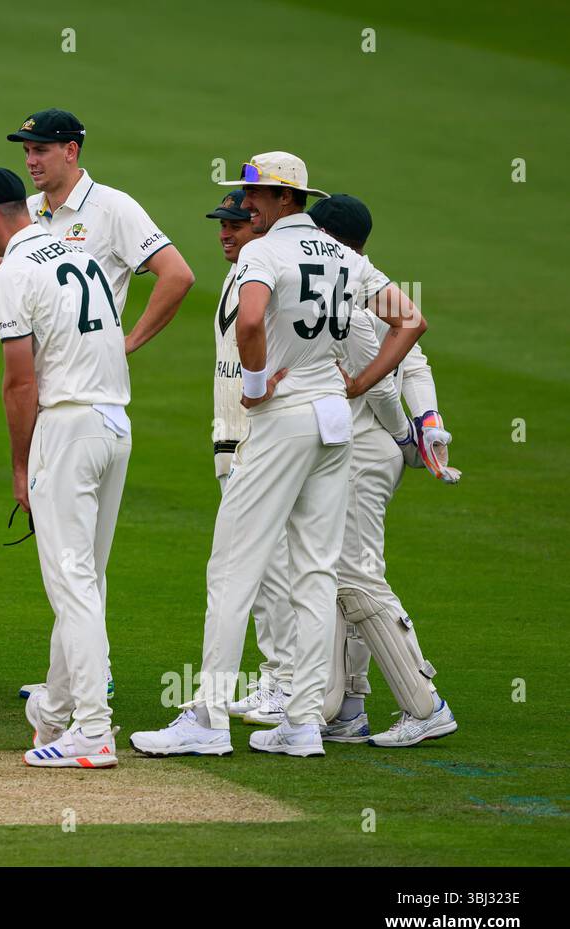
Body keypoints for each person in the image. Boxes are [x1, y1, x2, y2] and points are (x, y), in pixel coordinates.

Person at [130, 151, 427, 758]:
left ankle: (208, 720)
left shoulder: (264, 252)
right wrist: (361, 382)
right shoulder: (345, 256)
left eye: (256, 195)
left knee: (232, 566)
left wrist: (259, 384)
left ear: (288, 201)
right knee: (316, 572)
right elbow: (412, 321)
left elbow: (251, 321)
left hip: (284, 415)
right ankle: (300, 724)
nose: (245, 204)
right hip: (333, 420)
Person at [9, 108, 194, 700]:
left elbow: (177, 274)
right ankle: (68, 683)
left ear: (72, 150)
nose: (32, 159)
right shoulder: (32, 215)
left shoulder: (112, 207)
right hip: (63, 396)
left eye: (41, 149)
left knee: (76, 560)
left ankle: (91, 683)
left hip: (81, 399)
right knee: (75, 558)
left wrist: (126, 340)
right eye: (26, 150)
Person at [0, 168, 130, 769]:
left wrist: (20, 464)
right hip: (114, 423)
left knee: (73, 582)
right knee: (85, 578)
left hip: (68, 427)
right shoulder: (77, 252)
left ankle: (93, 731)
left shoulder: (14, 272)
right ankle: (56, 710)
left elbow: (19, 382)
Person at [308, 194, 459, 748]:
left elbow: (401, 368)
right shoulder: (344, 280)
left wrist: (413, 428)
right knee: (336, 576)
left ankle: (425, 704)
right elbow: (413, 359)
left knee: (354, 575)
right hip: (348, 446)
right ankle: (346, 707)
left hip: (366, 451)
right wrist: (427, 421)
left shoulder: (347, 286)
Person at [204, 189, 298, 725]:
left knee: (269, 569)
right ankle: (276, 677)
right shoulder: (238, 273)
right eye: (223, 223)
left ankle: (286, 683)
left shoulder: (268, 275)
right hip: (231, 436)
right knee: (260, 571)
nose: (225, 232)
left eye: (236, 224)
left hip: (257, 437)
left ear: (260, 226)